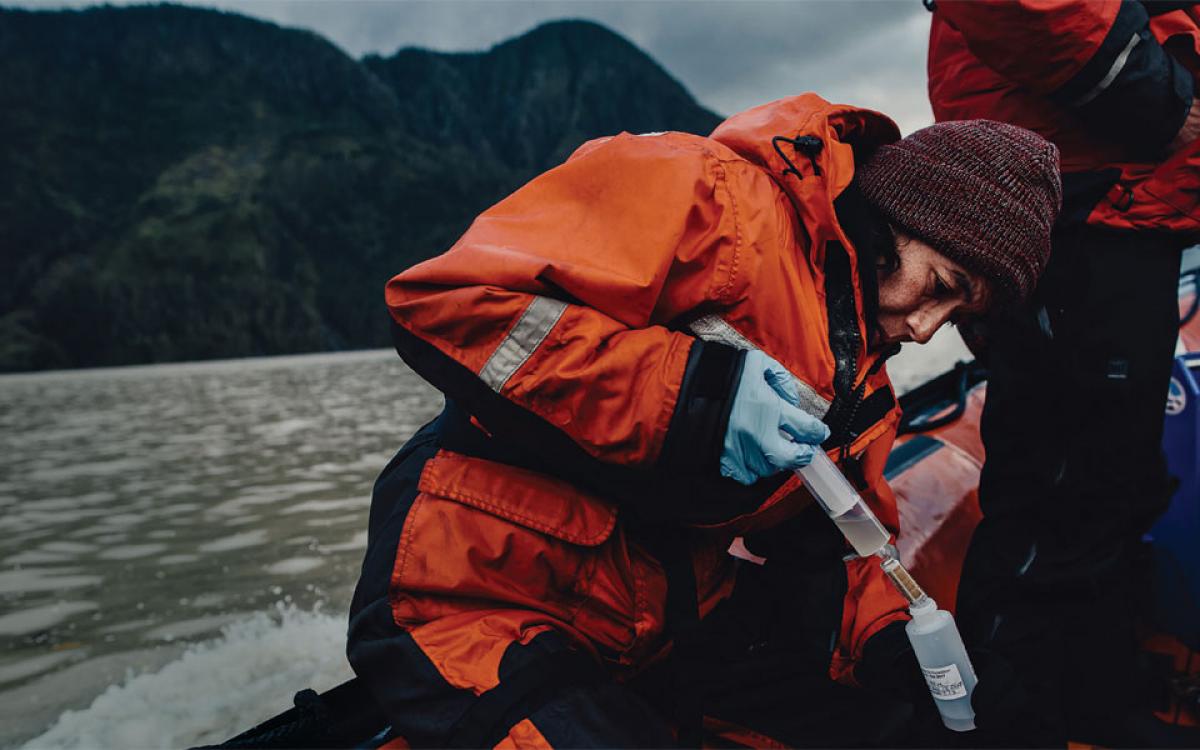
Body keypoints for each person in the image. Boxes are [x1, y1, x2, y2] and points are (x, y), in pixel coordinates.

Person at [346, 93, 1061, 748]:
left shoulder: (865, 387)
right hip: (476, 592)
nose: (929, 329)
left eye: (959, 315)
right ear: (901, 214)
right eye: (939, 286)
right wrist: (693, 396)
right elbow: (446, 301)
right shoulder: (705, 195)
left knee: (896, 728)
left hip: (659, 619)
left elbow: (837, 546)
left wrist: (895, 644)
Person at [927, 1, 1200, 746]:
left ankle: (1093, 690)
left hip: (1134, 195)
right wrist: (1162, 98)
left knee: (1116, 476)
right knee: (1061, 481)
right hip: (1084, 186)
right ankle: (1025, 714)